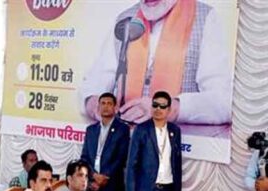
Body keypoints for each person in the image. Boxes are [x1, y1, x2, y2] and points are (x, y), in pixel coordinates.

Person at [80, 0, 231, 126]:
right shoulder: (125, 20)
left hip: (182, 146)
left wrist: (168, 108)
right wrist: (94, 104)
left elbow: (223, 102)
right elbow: (92, 86)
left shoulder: (205, 17)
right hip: (125, 143)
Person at [80, 93, 131, 191]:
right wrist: (93, 176)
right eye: (103, 103)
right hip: (90, 182)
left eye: (109, 103)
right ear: (98, 107)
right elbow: (84, 157)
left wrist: (103, 178)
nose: (106, 106)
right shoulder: (91, 130)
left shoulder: (122, 129)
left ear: (115, 107)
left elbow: (121, 158)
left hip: (110, 185)